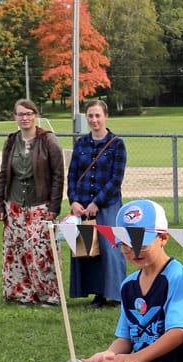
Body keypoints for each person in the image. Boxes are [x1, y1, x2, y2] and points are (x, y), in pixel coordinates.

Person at [82, 199, 183, 362]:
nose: (133, 252)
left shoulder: (175, 274)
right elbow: (126, 337)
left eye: (141, 244)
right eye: (125, 245)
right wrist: (110, 354)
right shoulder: (128, 285)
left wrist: (136, 358)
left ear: (163, 238)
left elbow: (178, 331)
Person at [0, 98, 65, 306]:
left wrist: (54, 206)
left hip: (40, 205)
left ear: (35, 115)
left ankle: (49, 295)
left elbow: (58, 176)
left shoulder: (48, 140)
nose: (24, 118)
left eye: (28, 114)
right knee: (16, 251)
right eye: (20, 114)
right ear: (15, 117)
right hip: (14, 204)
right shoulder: (11, 141)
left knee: (41, 251)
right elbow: (4, 174)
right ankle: (22, 293)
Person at [67, 99, 128, 309]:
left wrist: (97, 202)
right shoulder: (81, 144)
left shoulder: (117, 144)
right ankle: (97, 294)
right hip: (83, 206)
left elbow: (116, 179)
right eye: (90, 116)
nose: (94, 120)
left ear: (106, 116)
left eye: (98, 115)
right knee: (88, 249)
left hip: (108, 205)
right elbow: (72, 174)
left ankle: (117, 294)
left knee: (110, 249)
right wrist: (74, 200)